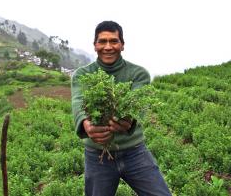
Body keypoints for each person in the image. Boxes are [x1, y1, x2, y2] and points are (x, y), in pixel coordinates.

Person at [71, 20, 172, 196]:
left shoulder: (138, 74)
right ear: (95, 45)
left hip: (135, 153)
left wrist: (128, 119)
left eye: (114, 41)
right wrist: (86, 124)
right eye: (102, 41)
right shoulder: (82, 75)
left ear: (122, 45)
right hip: (97, 156)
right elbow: (78, 101)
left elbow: (136, 105)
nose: (108, 47)